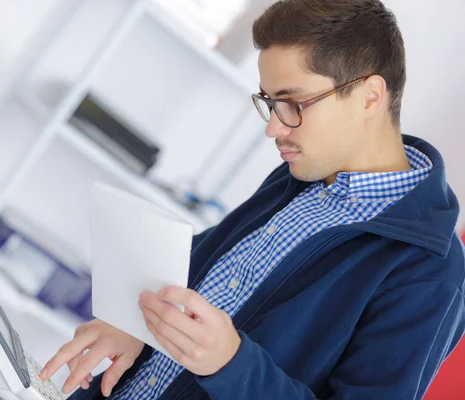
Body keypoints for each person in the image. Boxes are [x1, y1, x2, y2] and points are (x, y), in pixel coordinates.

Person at [40, 0, 465, 398]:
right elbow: (199, 267)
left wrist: (231, 364)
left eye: (294, 103)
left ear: (370, 96)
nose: (274, 130)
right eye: (270, 102)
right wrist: (137, 323)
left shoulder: (429, 273)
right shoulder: (300, 175)